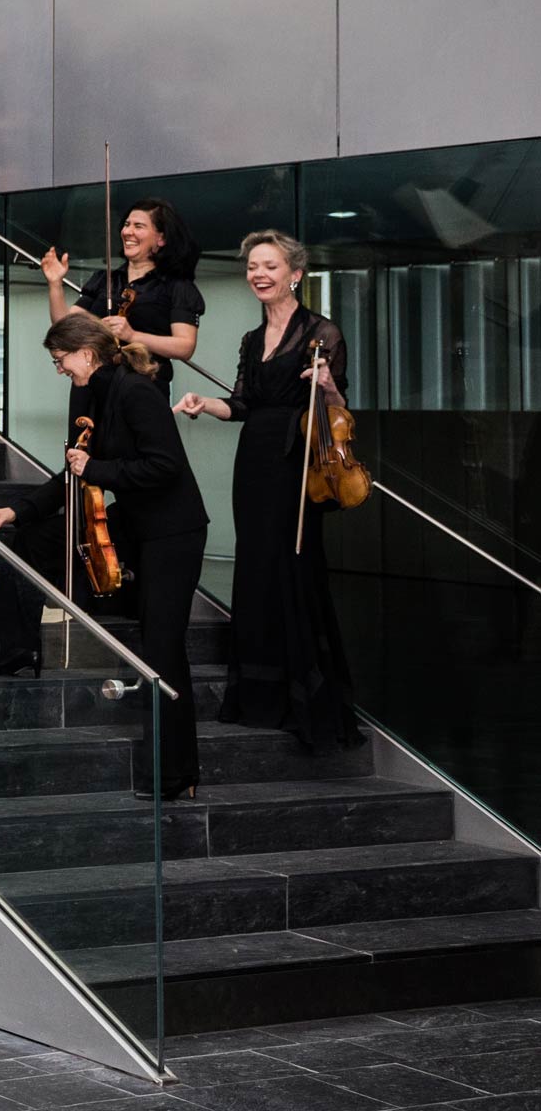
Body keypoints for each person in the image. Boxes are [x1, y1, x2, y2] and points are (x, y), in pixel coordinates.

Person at [0, 313, 208, 799]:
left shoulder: (137, 392)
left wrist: (97, 468)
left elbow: (164, 466)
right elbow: (73, 474)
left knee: (162, 648)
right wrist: (16, 511)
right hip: (135, 524)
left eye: (60, 360)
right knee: (36, 538)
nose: (59, 369)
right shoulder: (91, 395)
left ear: (87, 353)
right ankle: (19, 645)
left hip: (173, 533)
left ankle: (177, 773)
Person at [175, 232, 363, 752]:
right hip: (254, 460)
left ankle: (302, 697)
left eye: (270, 266)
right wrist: (203, 404)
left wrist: (327, 384)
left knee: (292, 566)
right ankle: (258, 696)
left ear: (294, 274)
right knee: (256, 568)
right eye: (253, 267)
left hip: (295, 460)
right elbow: (242, 405)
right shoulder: (251, 338)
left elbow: (339, 406)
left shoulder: (322, 333)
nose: (258, 274)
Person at [43, 197, 203, 391]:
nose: (128, 232)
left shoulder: (176, 286)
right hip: (95, 384)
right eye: (127, 225)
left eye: (138, 226)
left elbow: (185, 346)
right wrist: (55, 284)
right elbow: (66, 328)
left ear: (161, 238)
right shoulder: (105, 280)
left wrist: (132, 335)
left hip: (144, 387)